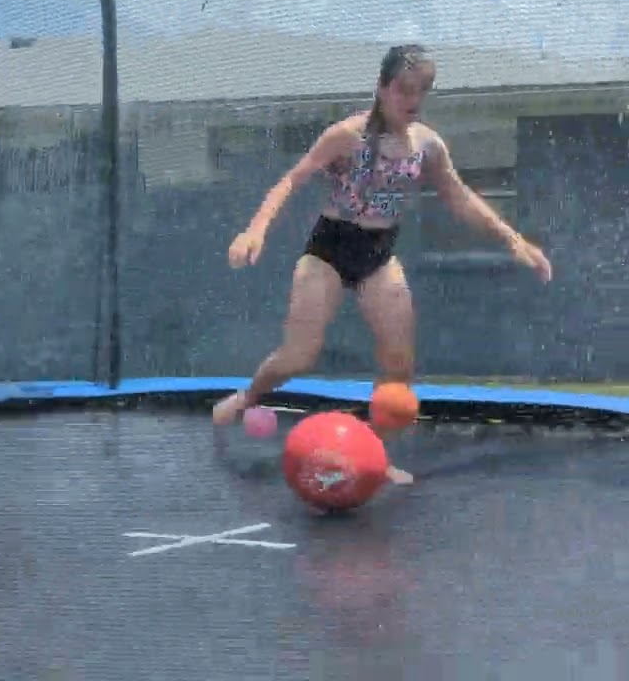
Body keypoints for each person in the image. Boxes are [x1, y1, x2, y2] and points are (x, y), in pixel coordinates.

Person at [213, 44, 552, 483]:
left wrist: (513, 239)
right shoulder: (346, 136)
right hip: (329, 251)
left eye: (421, 92)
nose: (412, 101)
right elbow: (292, 179)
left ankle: (373, 455)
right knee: (298, 356)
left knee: (398, 370)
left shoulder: (427, 145)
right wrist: (255, 229)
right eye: (403, 90)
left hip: (378, 255)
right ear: (382, 88)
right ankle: (248, 397)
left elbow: (458, 196)